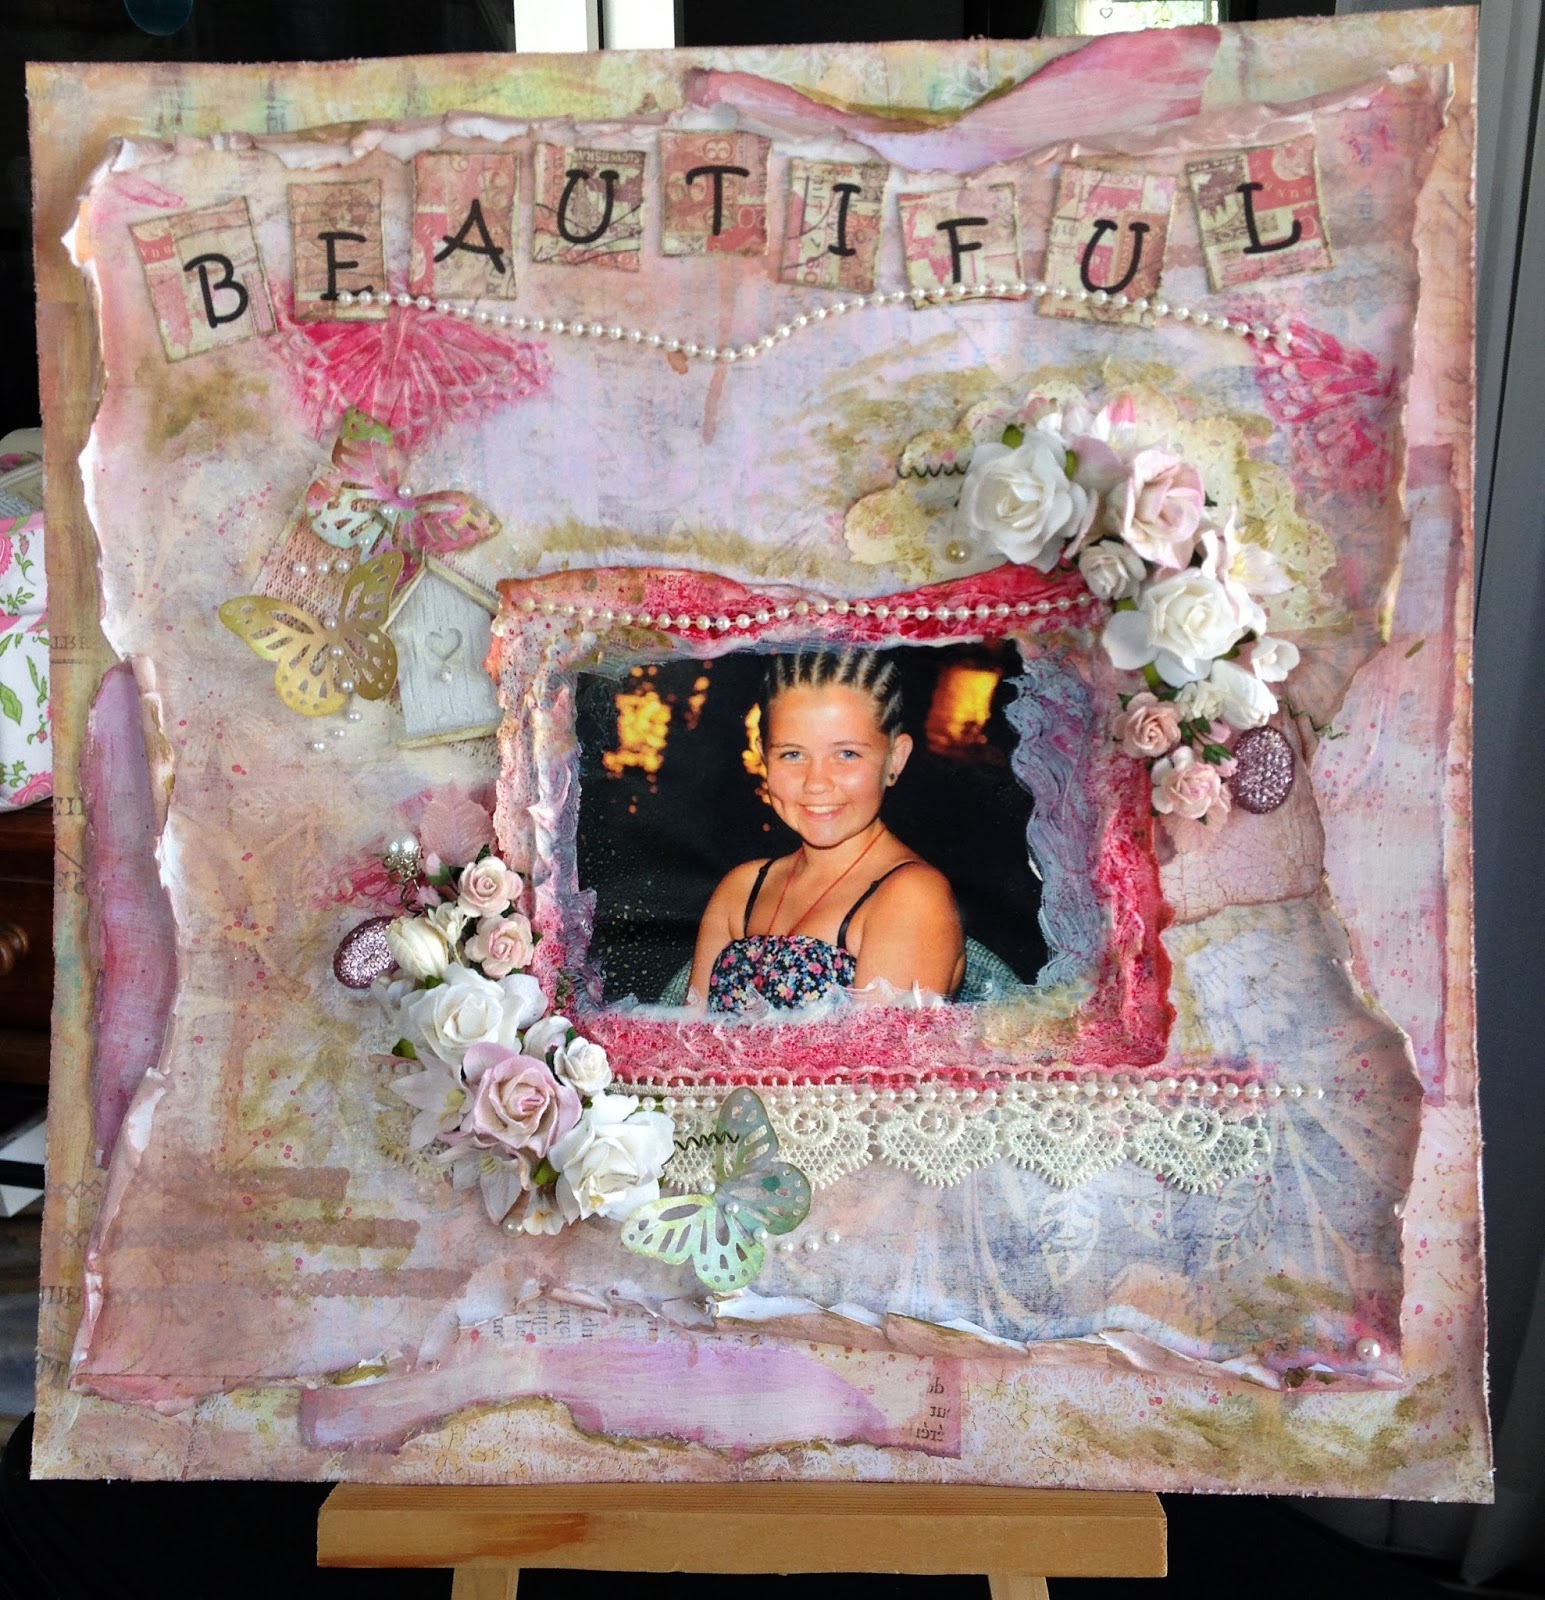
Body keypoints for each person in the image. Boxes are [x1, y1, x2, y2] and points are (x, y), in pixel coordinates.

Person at [688, 648, 964, 1013]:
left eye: (847, 754)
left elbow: (878, 1051)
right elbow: (685, 1037)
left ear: (894, 759)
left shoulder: (911, 896)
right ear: (763, 756)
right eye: (792, 754)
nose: (816, 783)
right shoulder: (740, 890)